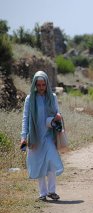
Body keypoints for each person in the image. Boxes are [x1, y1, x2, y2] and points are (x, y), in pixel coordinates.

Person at [21, 71, 64, 201]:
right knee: (39, 163)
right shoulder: (30, 99)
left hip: (49, 136)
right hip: (35, 136)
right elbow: (25, 118)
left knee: (51, 161)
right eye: (38, 85)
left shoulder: (53, 97)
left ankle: (52, 191)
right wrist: (23, 136)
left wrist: (58, 116)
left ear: (47, 84)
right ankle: (42, 193)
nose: (41, 87)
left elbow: (58, 113)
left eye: (43, 84)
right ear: (35, 84)